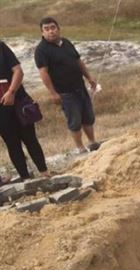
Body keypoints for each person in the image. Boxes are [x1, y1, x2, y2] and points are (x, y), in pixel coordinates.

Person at [35, 17, 100, 154]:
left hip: (80, 86)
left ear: (58, 29)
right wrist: (53, 93)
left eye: (53, 28)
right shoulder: (41, 50)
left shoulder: (67, 43)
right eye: (46, 29)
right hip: (64, 92)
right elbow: (43, 73)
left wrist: (89, 77)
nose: (51, 31)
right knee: (75, 121)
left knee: (88, 117)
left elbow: (78, 61)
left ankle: (93, 143)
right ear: (42, 33)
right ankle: (80, 148)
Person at [0, 41, 49, 183]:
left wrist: (11, 92)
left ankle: (45, 172)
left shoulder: (2, 47)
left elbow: (18, 71)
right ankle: (25, 178)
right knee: (12, 143)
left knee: (30, 138)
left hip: (17, 99)